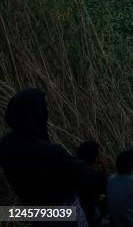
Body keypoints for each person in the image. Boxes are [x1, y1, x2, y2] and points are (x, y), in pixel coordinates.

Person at [0, 88, 87, 226]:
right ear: (36, 113)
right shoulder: (50, 151)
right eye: (43, 107)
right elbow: (81, 173)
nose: (46, 112)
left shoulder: (4, 145)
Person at [76, 140, 109, 227]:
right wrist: (105, 165)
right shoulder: (95, 175)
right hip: (89, 215)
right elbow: (108, 188)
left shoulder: (75, 170)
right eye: (99, 152)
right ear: (95, 156)